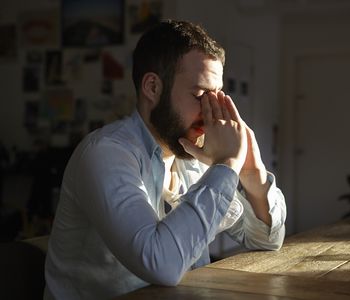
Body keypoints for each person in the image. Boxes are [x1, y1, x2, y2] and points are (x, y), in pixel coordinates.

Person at [44, 20, 286, 299]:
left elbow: (267, 240)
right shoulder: (105, 154)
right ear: (152, 87)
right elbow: (161, 264)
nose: (212, 111)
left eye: (216, 96)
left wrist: (251, 173)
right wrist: (227, 164)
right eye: (199, 95)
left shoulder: (192, 156)